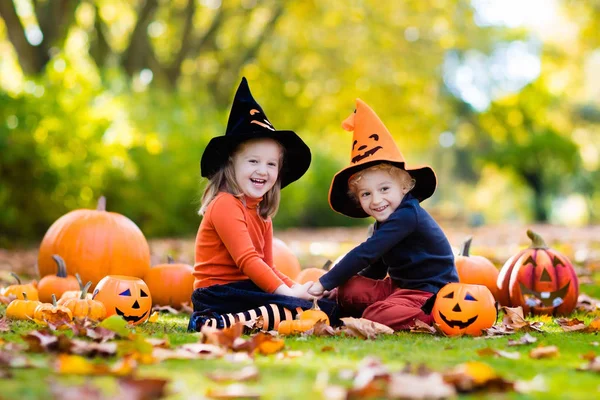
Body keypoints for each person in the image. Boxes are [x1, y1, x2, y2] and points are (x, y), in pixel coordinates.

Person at [188, 78, 338, 331]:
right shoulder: (225, 204)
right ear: (231, 163)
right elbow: (248, 261)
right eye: (253, 161)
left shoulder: (262, 213)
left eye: (271, 164)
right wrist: (288, 295)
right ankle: (212, 322)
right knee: (292, 308)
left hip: (245, 290)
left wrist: (294, 288)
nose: (263, 170)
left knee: (325, 311)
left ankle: (251, 318)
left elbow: (267, 266)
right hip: (217, 295)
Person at [307, 99, 458, 330]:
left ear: (405, 186)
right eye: (366, 194)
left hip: (429, 293)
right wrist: (339, 288)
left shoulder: (408, 215)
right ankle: (345, 309)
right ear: (358, 199)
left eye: (384, 189)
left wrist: (324, 282)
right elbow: (375, 268)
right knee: (348, 288)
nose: (376, 200)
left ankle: (433, 318)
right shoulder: (384, 223)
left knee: (375, 315)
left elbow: (365, 253)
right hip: (398, 288)